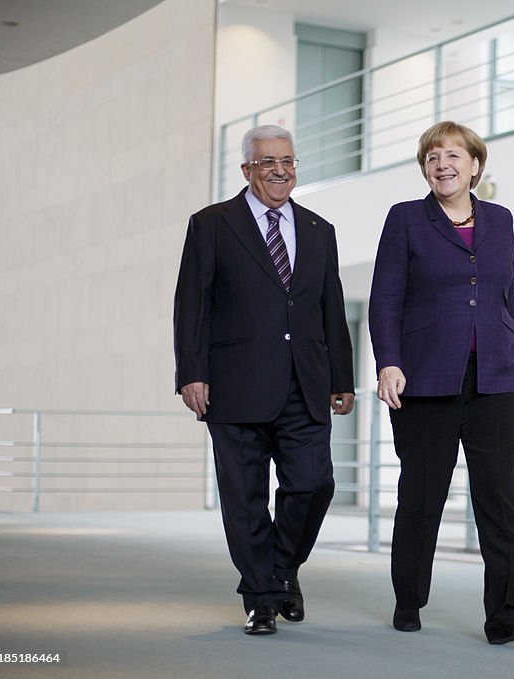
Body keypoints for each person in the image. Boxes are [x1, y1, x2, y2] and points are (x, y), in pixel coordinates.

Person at [173, 125, 355, 635]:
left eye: (288, 161)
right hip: (233, 384)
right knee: (245, 495)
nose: (280, 170)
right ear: (247, 169)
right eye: (268, 162)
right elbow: (192, 304)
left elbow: (330, 308)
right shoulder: (211, 224)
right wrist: (192, 372)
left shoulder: (320, 229)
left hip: (306, 382)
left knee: (314, 484)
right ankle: (261, 598)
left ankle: (279, 570)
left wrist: (343, 375)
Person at [368, 121, 514, 644]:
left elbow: (507, 299)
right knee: (422, 497)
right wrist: (388, 362)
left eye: (452, 155)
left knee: (501, 499)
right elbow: (385, 299)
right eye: (431, 157)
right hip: (425, 381)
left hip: (495, 382)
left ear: (475, 166)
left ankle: (504, 613)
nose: (441, 164)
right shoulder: (405, 219)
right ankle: (409, 600)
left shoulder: (501, 220)